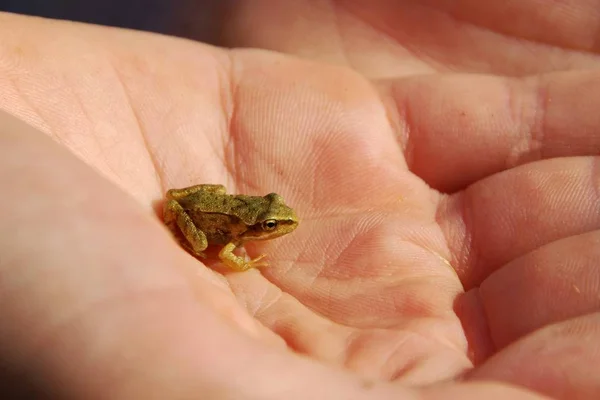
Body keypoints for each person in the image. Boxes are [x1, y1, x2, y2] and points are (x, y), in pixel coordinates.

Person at [0, 2, 598, 398]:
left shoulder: (255, 217)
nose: (283, 227)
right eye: (275, 224)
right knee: (207, 241)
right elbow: (224, 250)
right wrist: (240, 260)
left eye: (276, 221)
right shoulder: (239, 235)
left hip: (212, 196)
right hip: (201, 211)